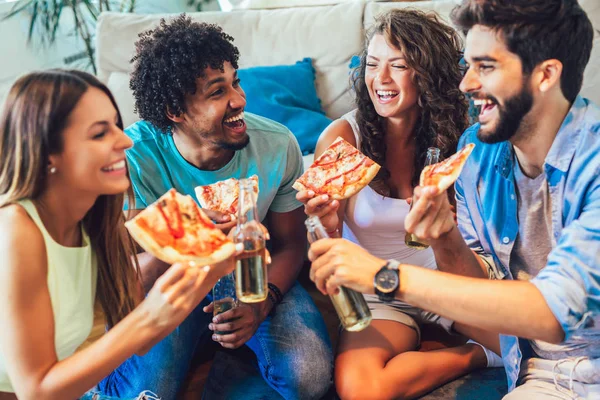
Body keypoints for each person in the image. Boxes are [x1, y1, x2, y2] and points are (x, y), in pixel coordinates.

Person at [307, 0, 600, 398]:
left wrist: (384, 275)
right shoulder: (479, 153)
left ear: (546, 74)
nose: (467, 85)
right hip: (537, 366)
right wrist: (444, 236)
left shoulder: (468, 143)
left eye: (486, 67)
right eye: (372, 64)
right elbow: (480, 274)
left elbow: (553, 314)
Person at [97, 15, 333, 400]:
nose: (239, 99)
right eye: (217, 91)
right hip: (171, 284)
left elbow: (290, 245)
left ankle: (228, 352)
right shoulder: (132, 157)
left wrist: (261, 304)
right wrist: (185, 240)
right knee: (144, 393)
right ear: (175, 110)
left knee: (309, 378)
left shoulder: (277, 145)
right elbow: (124, 281)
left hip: (254, 274)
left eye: (235, 82)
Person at [296, 9, 500, 399]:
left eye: (398, 65)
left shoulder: (464, 137)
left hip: (447, 280)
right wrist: (324, 223)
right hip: (379, 290)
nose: (381, 79)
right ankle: (473, 356)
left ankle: (469, 342)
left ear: (428, 73)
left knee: (546, 344)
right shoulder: (343, 138)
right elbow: (324, 251)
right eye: (372, 65)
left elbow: (482, 233)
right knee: (361, 390)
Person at [0, 70, 238, 400]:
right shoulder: (15, 228)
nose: (125, 140)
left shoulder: (92, 218)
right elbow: (35, 389)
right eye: (100, 134)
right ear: (47, 152)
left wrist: (196, 259)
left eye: (115, 125)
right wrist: (149, 316)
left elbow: (142, 334)